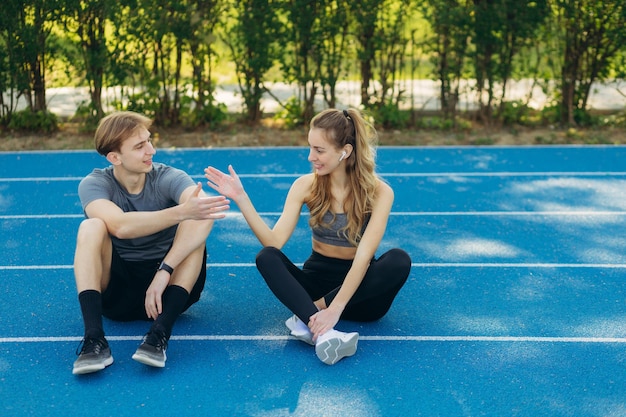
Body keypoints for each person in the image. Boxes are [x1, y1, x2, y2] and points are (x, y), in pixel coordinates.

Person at [204, 108, 411, 365]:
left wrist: (331, 308)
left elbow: (364, 257)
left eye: (320, 150)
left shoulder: (380, 192)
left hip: (361, 296)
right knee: (267, 257)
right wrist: (241, 198)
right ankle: (324, 334)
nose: (311, 157)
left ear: (345, 151)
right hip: (314, 283)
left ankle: (310, 317)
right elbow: (274, 243)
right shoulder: (305, 185)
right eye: (310, 148)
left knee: (399, 260)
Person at [72, 111, 229, 375]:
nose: (152, 150)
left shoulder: (168, 176)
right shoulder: (94, 184)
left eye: (149, 141)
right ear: (114, 157)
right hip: (118, 291)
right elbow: (120, 226)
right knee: (91, 226)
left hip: (168, 291)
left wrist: (164, 271)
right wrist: (181, 212)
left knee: (196, 227)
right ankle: (94, 339)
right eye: (140, 146)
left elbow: (203, 211)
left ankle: (159, 335)